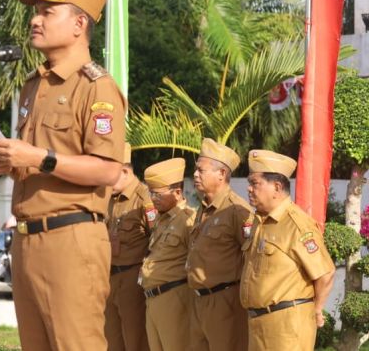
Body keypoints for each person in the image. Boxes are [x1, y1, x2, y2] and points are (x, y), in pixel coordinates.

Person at [0, 0, 126, 351]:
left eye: (48, 12)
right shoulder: (35, 85)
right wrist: (8, 162)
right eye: (35, 11)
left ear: (80, 24)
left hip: (72, 238)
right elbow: (33, 162)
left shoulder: (95, 87)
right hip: (27, 239)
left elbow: (108, 170)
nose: (35, 19)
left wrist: (41, 158)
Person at [241, 149, 336, 351]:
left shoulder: (297, 224)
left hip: (286, 327)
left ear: (277, 187)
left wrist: (316, 310)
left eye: (255, 183)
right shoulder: (260, 221)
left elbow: (325, 273)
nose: (249, 189)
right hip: (258, 324)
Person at [186, 138, 251, 351]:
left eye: (201, 170)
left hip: (225, 302)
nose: (195, 175)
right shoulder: (203, 208)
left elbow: (251, 258)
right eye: (195, 170)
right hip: (198, 300)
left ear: (221, 174)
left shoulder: (237, 211)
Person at [139, 157, 196, 351]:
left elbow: (195, 262)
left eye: (158, 194)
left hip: (175, 298)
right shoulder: (161, 220)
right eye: (151, 193)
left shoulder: (188, 219)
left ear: (178, 192)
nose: (153, 199)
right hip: (153, 299)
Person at [104, 145, 151, 351]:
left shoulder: (145, 199)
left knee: (135, 341)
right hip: (110, 277)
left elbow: (156, 240)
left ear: (124, 171)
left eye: (108, 173)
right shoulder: (109, 199)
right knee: (112, 341)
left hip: (133, 278)